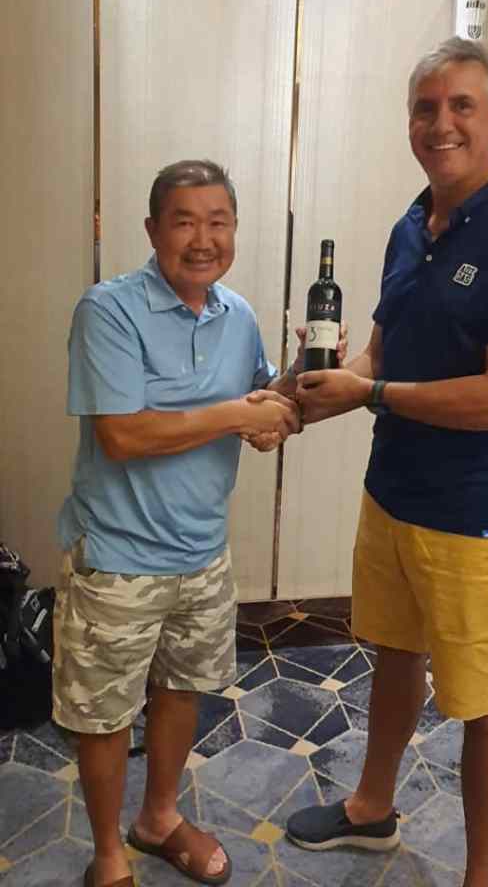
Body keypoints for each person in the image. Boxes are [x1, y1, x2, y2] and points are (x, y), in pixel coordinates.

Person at [285, 38, 488, 887]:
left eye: (460, 106)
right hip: (392, 494)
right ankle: (372, 810)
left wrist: (370, 394)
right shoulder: (411, 226)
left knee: (483, 702)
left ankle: (479, 876)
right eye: (424, 108)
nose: (440, 124)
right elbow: (377, 354)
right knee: (395, 653)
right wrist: (301, 396)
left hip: (472, 516)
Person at [53, 160, 312, 887]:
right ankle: (108, 853)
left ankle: (159, 818)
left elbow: (259, 402)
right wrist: (237, 415)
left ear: (235, 229)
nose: (203, 239)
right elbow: (123, 435)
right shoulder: (108, 310)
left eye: (218, 221)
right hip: (118, 558)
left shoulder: (238, 314)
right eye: (184, 221)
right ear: (152, 230)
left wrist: (297, 380)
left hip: (203, 554)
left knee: (179, 691)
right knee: (105, 715)